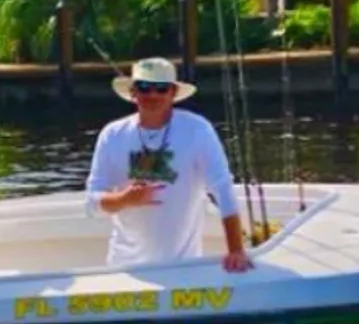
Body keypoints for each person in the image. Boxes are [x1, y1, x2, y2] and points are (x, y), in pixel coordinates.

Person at [84, 57, 253, 273]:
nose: (152, 95)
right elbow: (92, 204)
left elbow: (223, 190)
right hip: (125, 269)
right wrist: (124, 198)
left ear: (173, 93)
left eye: (161, 88)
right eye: (144, 87)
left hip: (184, 268)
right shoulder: (112, 135)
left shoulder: (198, 130)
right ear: (133, 92)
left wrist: (236, 250)